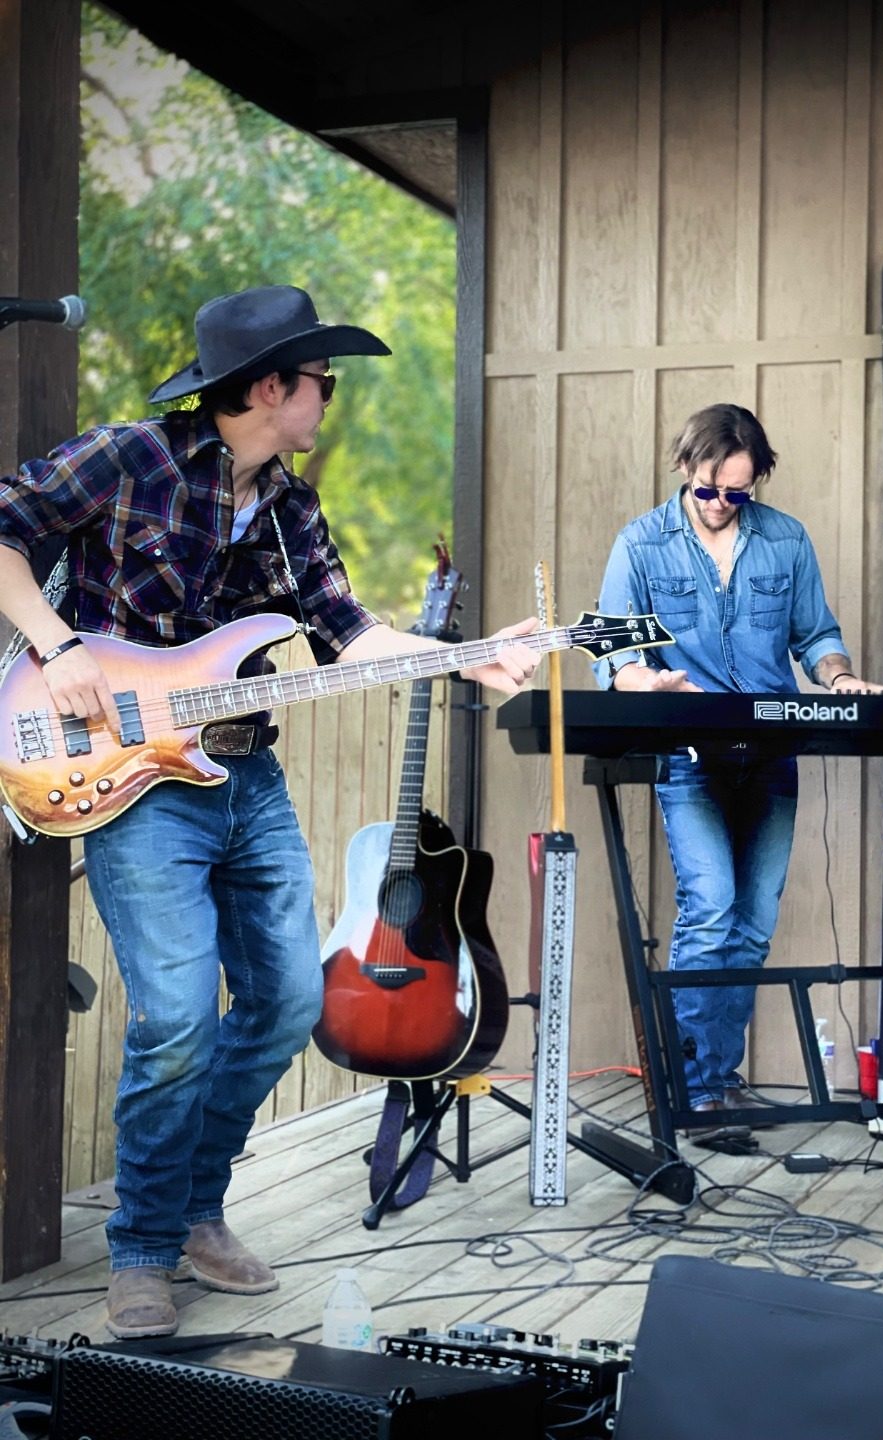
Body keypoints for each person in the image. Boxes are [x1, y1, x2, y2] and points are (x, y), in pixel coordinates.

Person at [0, 285, 539, 1339]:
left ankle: (196, 1207)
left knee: (292, 1000)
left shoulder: (291, 506)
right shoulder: (131, 458)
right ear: (269, 387)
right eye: (321, 381)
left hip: (248, 779)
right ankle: (145, 1251)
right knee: (174, 1020)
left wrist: (477, 660)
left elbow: (350, 635)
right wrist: (59, 649)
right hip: (132, 781)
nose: (330, 398)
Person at [593, 403, 883, 1127]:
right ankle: (697, 1088)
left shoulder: (785, 540)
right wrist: (644, 682)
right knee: (712, 906)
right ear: (685, 469)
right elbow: (612, 652)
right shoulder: (640, 544)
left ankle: (718, 1081)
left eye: (738, 492)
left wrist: (839, 675)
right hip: (690, 757)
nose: (722, 504)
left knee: (753, 923)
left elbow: (816, 634)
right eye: (709, 490)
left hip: (771, 752)